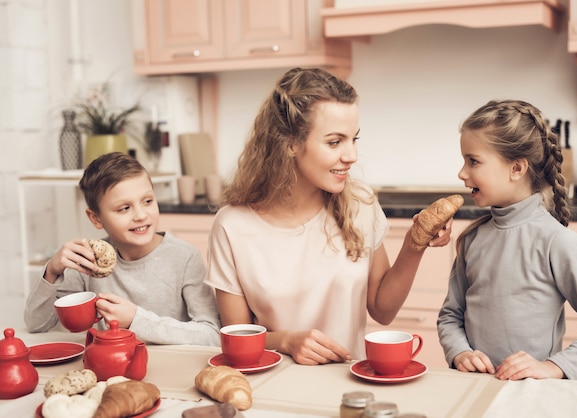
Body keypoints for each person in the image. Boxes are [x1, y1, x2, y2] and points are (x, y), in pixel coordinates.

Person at [205, 67, 452, 365]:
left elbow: (382, 311)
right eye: (335, 142)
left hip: (350, 382)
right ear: (291, 143)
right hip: (273, 383)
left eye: (354, 139)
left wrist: (415, 245)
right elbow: (235, 339)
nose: (351, 156)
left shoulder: (360, 204)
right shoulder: (232, 226)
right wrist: (286, 340)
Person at [437, 99, 577, 381]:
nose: (462, 173)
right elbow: (451, 315)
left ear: (517, 168)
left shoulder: (556, 241)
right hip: (474, 387)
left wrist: (552, 367)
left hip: (535, 398)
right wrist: (460, 353)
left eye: (473, 161)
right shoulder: (472, 239)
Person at [24, 152, 221, 345]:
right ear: (96, 218)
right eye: (124, 208)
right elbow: (36, 325)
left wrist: (136, 319)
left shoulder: (184, 258)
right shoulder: (88, 262)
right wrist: (52, 271)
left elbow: (211, 335)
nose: (141, 215)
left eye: (148, 201)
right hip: (109, 370)